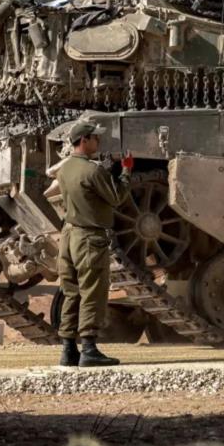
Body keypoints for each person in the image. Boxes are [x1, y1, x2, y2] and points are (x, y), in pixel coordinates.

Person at [57, 118, 133, 367]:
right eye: (95, 138)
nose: (98, 141)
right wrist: (125, 170)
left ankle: (68, 349)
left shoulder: (65, 168)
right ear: (84, 140)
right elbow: (117, 197)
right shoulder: (93, 170)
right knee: (92, 291)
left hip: (68, 236)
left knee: (72, 293)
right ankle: (89, 348)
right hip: (89, 238)